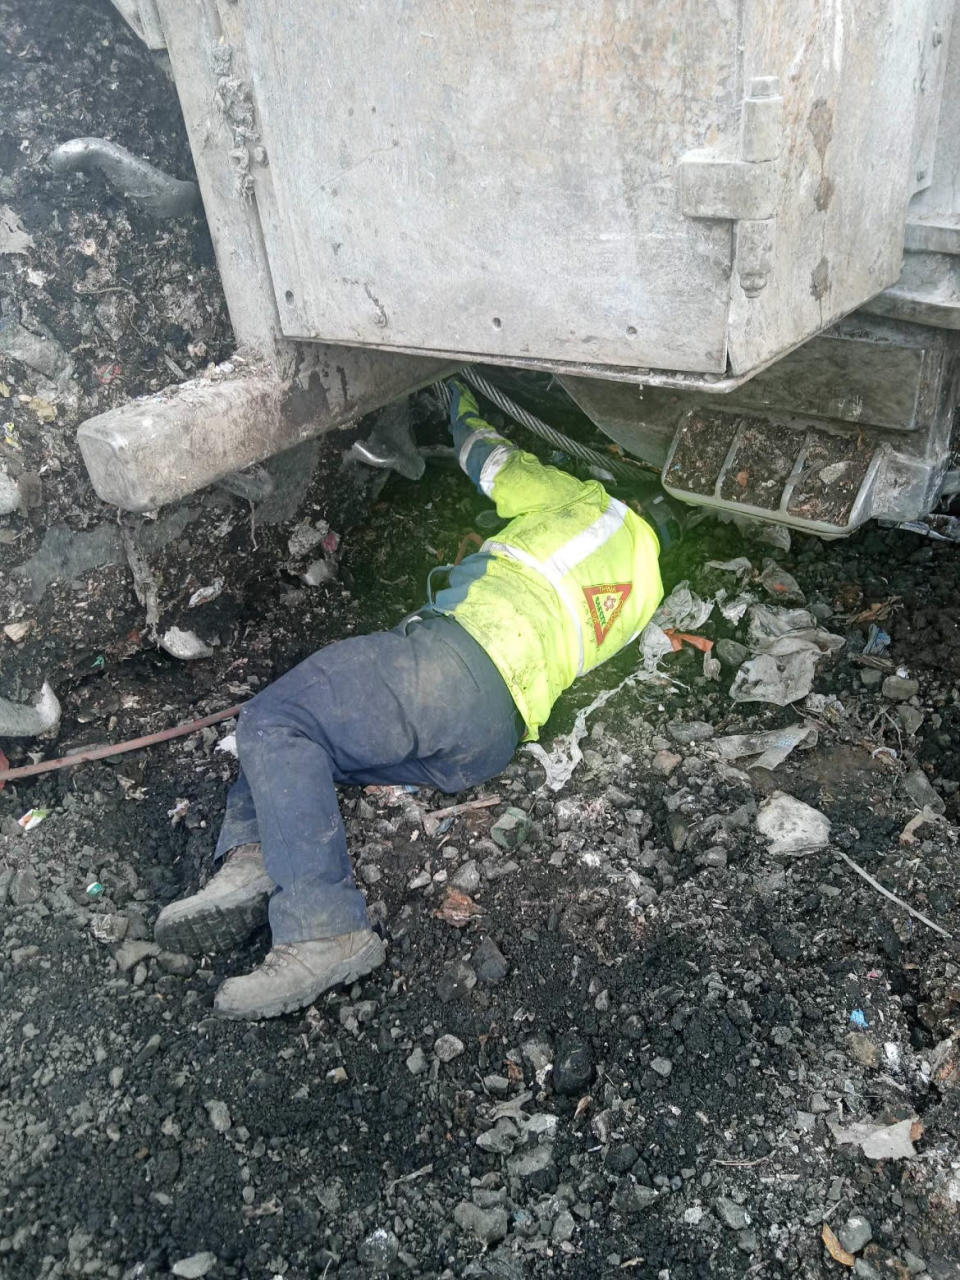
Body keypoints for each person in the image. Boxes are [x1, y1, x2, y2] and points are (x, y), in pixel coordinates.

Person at [154, 379, 667, 1019]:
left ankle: (324, 931)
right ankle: (257, 861)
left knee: (277, 720)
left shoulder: (592, 505)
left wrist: (458, 399)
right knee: (310, 752)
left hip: (453, 668)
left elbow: (494, 461)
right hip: (490, 738)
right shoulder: (646, 590)